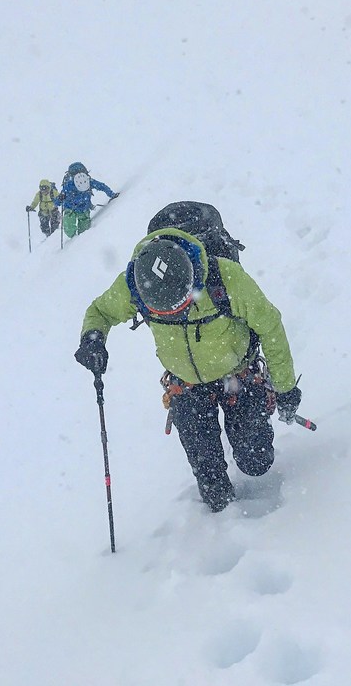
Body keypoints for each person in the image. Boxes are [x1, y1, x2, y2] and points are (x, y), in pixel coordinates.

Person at [73, 215, 302, 512]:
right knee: (213, 491)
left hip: (239, 375)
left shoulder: (225, 277)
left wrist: (285, 388)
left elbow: (269, 325)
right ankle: (220, 516)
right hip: (187, 388)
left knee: (256, 462)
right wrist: (92, 338)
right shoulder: (135, 284)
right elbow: (100, 311)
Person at [56, 162, 117, 239]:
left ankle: (77, 241)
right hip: (74, 209)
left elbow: (59, 199)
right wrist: (111, 194)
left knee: (80, 230)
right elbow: (102, 186)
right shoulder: (74, 184)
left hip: (80, 209)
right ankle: (75, 241)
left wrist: (58, 200)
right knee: (71, 229)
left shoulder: (69, 185)